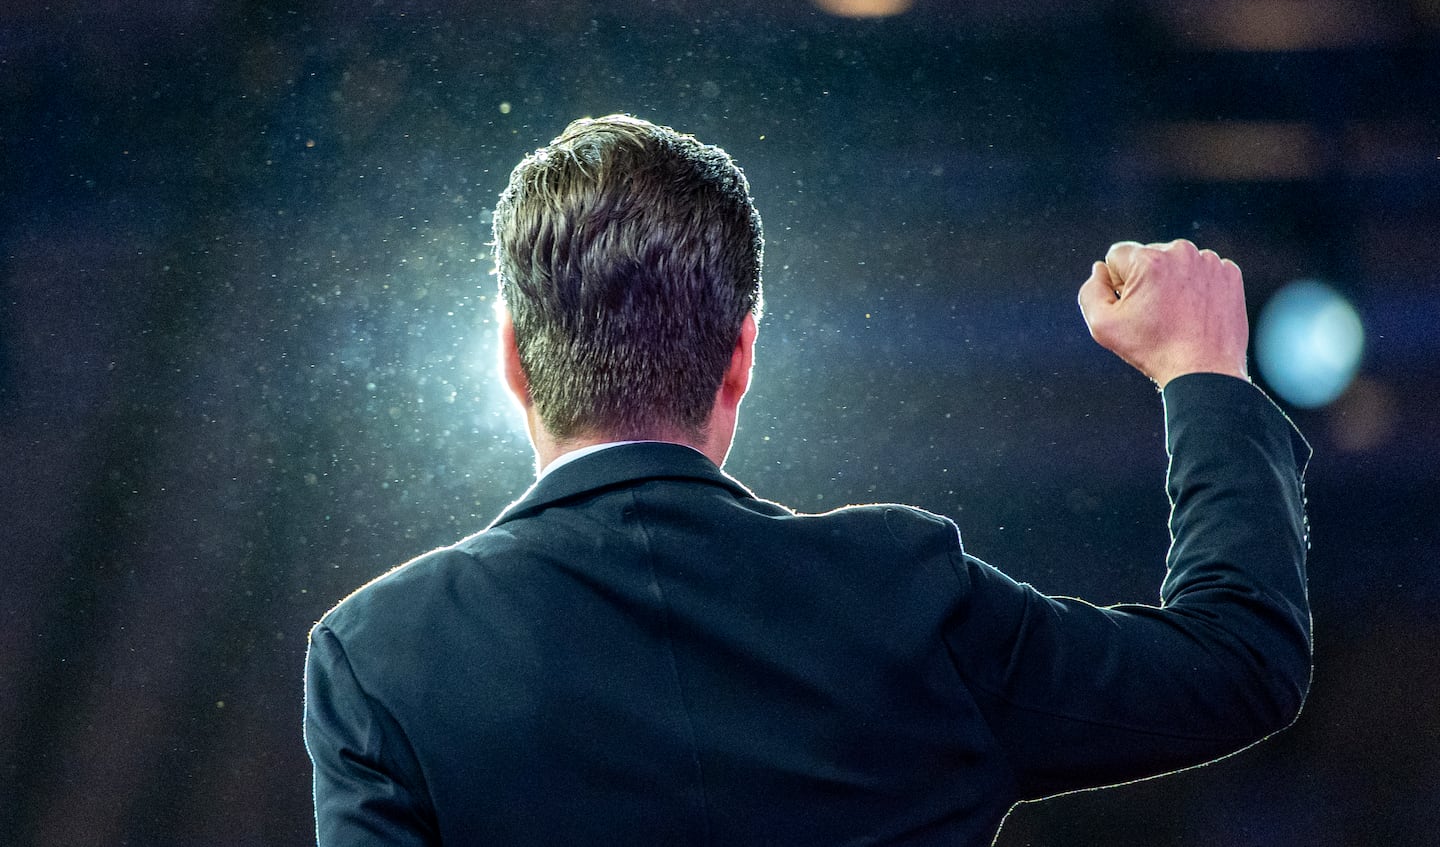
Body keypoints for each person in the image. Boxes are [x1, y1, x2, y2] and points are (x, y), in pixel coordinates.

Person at [304, 114, 1311, 846]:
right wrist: (1202, 370)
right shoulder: (903, 595)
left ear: (512, 357)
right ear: (740, 353)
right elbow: (1240, 663)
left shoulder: (380, 656)